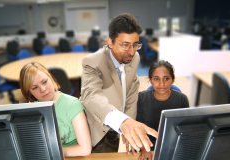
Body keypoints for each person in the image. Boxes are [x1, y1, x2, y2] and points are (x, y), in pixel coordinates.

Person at [80, 13, 157, 153]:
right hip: (97, 128)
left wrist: (129, 123)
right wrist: (123, 122)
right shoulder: (93, 62)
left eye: (135, 45)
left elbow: (132, 91)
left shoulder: (134, 58)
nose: (132, 52)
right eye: (125, 45)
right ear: (110, 42)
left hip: (117, 126)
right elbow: (90, 96)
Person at [19, 62, 91, 157]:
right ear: (29, 92)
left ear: (51, 78)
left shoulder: (73, 105)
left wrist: (49, 152)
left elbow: (84, 149)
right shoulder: (31, 108)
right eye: (35, 87)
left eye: (45, 82)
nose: (43, 89)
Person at [136, 60, 189, 160]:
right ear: (150, 80)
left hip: (173, 146)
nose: (162, 83)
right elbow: (139, 128)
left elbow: (185, 129)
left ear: (172, 80)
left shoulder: (182, 99)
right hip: (146, 145)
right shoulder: (141, 98)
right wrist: (144, 149)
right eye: (156, 79)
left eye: (166, 78)